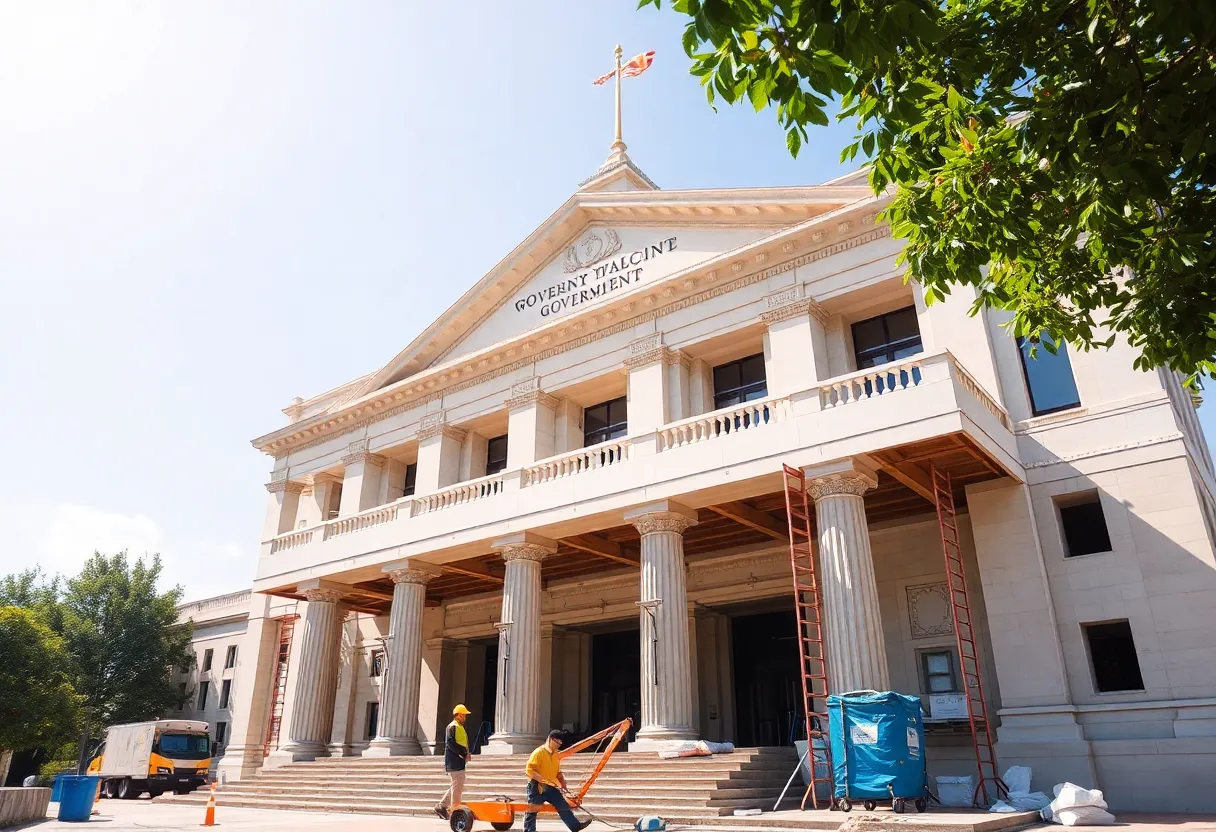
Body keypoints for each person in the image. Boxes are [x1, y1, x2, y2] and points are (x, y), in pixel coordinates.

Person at [524, 730, 592, 832]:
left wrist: (562, 783)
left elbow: (557, 772)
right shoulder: (539, 752)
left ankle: (575, 826)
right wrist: (543, 781)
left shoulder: (556, 754)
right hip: (537, 786)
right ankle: (529, 830)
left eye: (560, 744)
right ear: (551, 739)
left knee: (562, 805)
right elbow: (529, 770)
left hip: (551, 786)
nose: (559, 746)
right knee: (533, 810)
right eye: (557, 743)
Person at [435, 704, 472, 819]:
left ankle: (441, 806)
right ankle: (455, 813)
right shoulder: (452, 727)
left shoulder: (459, 727)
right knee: (457, 788)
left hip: (458, 761)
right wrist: (463, 754)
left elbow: (462, 743)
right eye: (464, 715)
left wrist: (466, 753)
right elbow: (451, 744)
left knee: (456, 786)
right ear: (458, 715)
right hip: (454, 761)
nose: (465, 717)